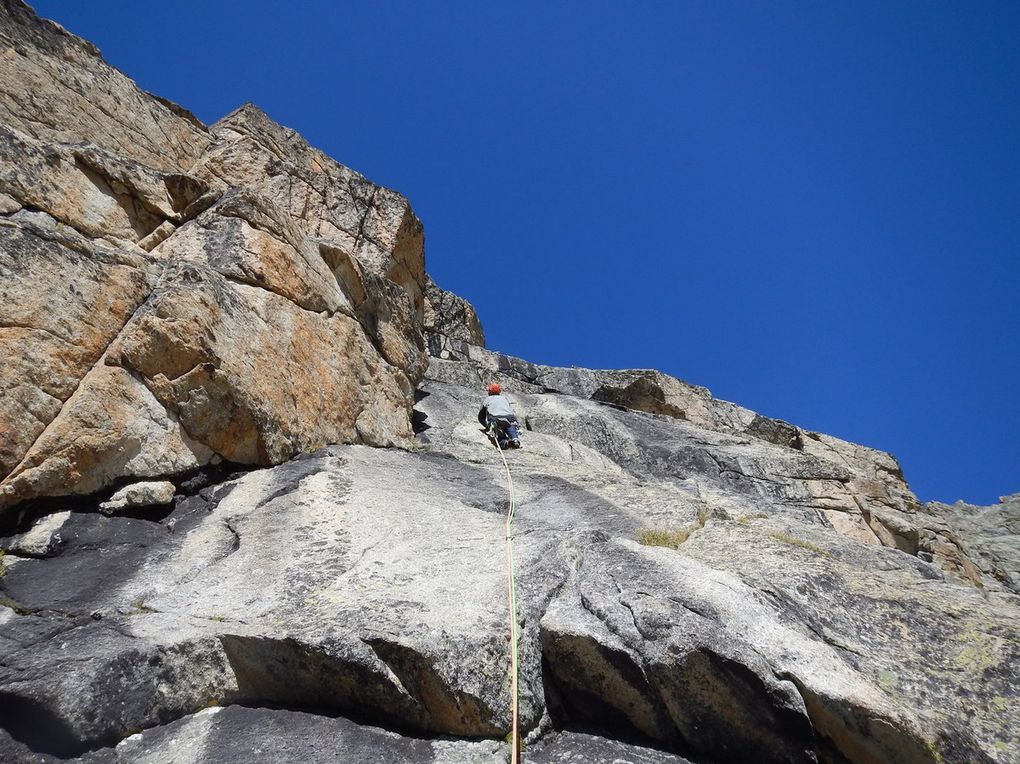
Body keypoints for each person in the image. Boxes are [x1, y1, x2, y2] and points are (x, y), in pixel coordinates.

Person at [478, 383, 522, 449]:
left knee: (498, 434)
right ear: (499, 391)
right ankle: (515, 439)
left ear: (489, 391)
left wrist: (487, 426)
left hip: (495, 418)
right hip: (510, 418)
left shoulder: (487, 399)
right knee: (510, 426)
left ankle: (505, 442)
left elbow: (481, 417)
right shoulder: (504, 398)